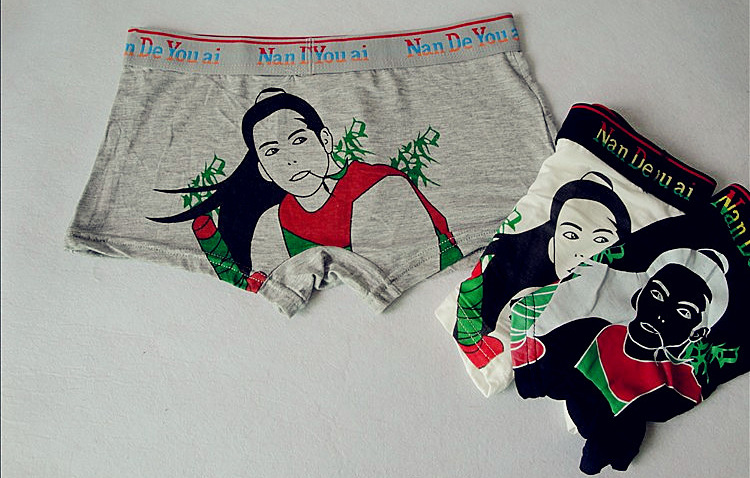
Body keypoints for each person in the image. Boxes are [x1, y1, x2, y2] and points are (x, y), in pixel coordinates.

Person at [150, 88, 461, 282]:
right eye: (272, 151)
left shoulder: (378, 187)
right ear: (264, 170)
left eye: (299, 140)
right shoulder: (275, 220)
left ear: (325, 140)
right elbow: (263, 280)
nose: (291, 160)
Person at [454, 172, 632, 366]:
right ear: (553, 236)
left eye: (601, 240)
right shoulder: (509, 261)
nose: (583, 252)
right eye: (571, 235)